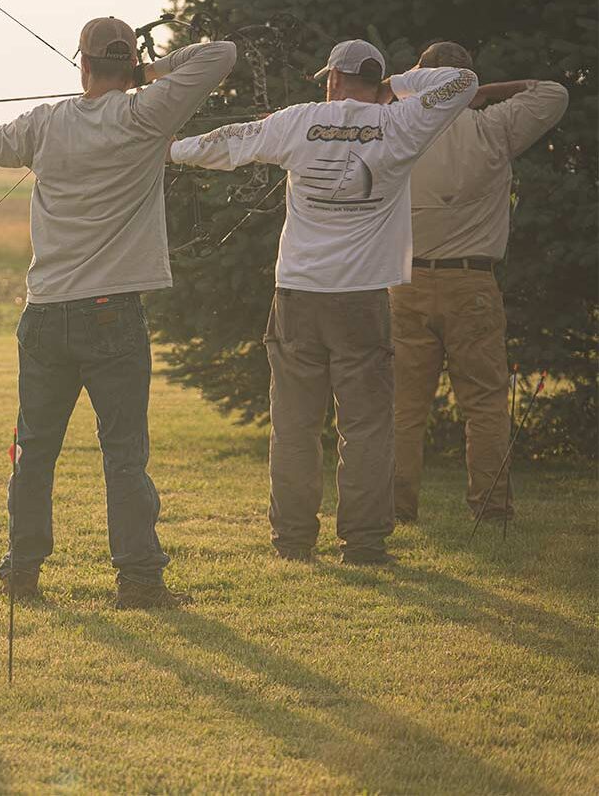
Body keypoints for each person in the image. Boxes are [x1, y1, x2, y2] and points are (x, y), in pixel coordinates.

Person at [0, 17, 236, 608]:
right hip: (113, 314)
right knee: (124, 452)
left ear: (83, 64)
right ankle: (140, 582)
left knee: (34, 447)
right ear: (124, 65)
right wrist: (150, 73)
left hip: (46, 312)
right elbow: (220, 54)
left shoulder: (46, 124)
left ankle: (22, 571)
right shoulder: (146, 113)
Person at [169, 39, 478, 564]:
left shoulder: (298, 120)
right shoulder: (401, 123)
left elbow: (225, 144)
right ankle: (362, 544)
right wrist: (393, 88)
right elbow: (462, 83)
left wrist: (167, 148)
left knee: (294, 426)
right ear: (374, 80)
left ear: (333, 78)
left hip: (298, 297)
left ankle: (292, 541)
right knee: (365, 428)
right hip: (360, 301)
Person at [391, 40, 569, 524]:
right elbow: (551, 93)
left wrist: (414, 89)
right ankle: (491, 510)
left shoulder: (398, 128)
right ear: (467, 83)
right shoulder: (493, 126)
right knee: (486, 404)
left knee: (402, 408)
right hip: (470, 285)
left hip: (403, 282)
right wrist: (485, 91)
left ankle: (396, 509)